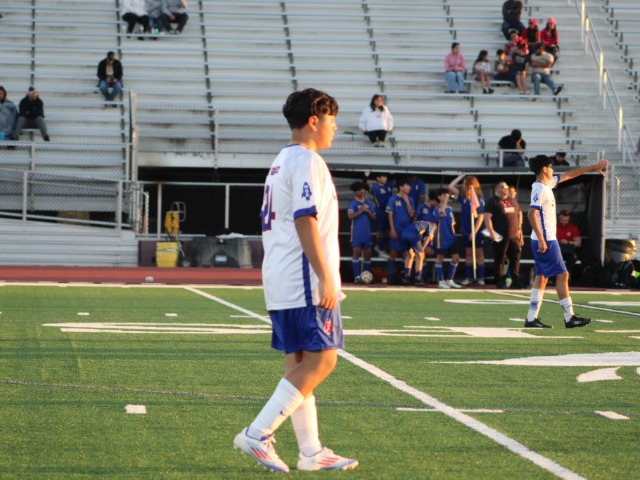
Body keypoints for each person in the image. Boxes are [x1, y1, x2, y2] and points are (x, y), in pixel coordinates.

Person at [234, 88, 358, 473]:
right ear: (314, 120)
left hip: (281, 277)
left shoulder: (280, 161)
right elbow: (306, 220)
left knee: (299, 365)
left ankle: (311, 451)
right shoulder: (307, 160)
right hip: (302, 278)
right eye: (332, 121)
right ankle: (257, 433)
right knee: (323, 361)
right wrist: (326, 277)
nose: (335, 128)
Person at [524, 155, 608, 328]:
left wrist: (593, 167)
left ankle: (531, 318)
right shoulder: (539, 188)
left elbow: (569, 175)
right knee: (563, 275)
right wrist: (542, 239)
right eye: (551, 167)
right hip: (546, 239)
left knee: (542, 277)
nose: (553, 170)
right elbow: (531, 214)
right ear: (544, 169)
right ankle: (569, 317)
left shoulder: (546, 184)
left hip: (544, 239)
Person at [484, 182, 524, 289]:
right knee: (500, 258)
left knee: (515, 258)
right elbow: (487, 218)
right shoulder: (492, 202)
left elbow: (519, 213)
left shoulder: (512, 200)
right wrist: (491, 232)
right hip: (500, 236)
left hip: (514, 236)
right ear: (496, 189)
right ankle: (500, 282)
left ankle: (515, 281)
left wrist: (519, 229)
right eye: (502, 187)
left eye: (506, 187)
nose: (505, 189)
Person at [449, 172, 486, 286]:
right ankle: (469, 277)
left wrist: (474, 232)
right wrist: (460, 177)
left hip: (477, 231)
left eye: (465, 183)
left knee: (479, 253)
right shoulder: (463, 198)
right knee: (468, 253)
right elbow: (451, 187)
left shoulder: (478, 199)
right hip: (466, 231)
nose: (463, 186)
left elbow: (480, 217)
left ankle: (480, 277)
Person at [386, 176, 415, 284]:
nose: (409, 188)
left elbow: (412, 215)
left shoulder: (410, 199)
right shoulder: (393, 199)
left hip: (407, 230)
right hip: (397, 229)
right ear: (401, 187)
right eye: (407, 186)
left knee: (408, 254)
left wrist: (407, 202)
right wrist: (392, 229)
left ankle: (406, 276)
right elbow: (390, 215)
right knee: (393, 253)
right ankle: (390, 276)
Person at [347, 181, 376, 283]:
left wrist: (368, 211)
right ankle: (357, 277)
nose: (362, 191)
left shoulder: (369, 202)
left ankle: (367, 276)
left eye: (362, 189)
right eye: (359, 190)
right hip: (356, 232)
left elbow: (374, 217)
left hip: (366, 232)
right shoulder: (353, 203)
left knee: (368, 253)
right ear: (355, 192)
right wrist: (361, 210)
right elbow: (350, 216)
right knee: (356, 252)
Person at [433, 188, 460, 289]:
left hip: (451, 237)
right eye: (444, 195)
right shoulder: (437, 209)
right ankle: (441, 281)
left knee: (456, 258)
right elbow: (441, 212)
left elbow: (452, 224)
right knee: (440, 258)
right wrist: (445, 201)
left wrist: (453, 234)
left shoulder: (450, 209)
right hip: (442, 237)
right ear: (439, 197)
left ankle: (450, 279)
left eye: (447, 195)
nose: (446, 197)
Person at [399, 219, 436, 286]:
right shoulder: (432, 225)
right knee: (420, 256)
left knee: (409, 255)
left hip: (404, 234)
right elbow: (428, 238)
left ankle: (406, 277)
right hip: (413, 235)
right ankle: (418, 279)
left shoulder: (420, 223)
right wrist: (422, 249)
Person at [369, 172, 393, 258]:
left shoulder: (388, 186)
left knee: (388, 231)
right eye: (383, 176)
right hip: (381, 211)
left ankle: (380, 246)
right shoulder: (375, 187)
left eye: (386, 177)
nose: (385, 178)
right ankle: (380, 249)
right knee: (381, 230)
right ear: (378, 178)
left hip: (389, 211)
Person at [556, 209, 582, 275]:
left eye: (566, 220)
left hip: (568, 251)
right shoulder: (554, 227)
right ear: (559, 218)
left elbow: (578, 243)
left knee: (572, 259)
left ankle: (566, 276)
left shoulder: (572, 228)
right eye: (562, 220)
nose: (564, 222)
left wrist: (567, 242)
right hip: (556, 250)